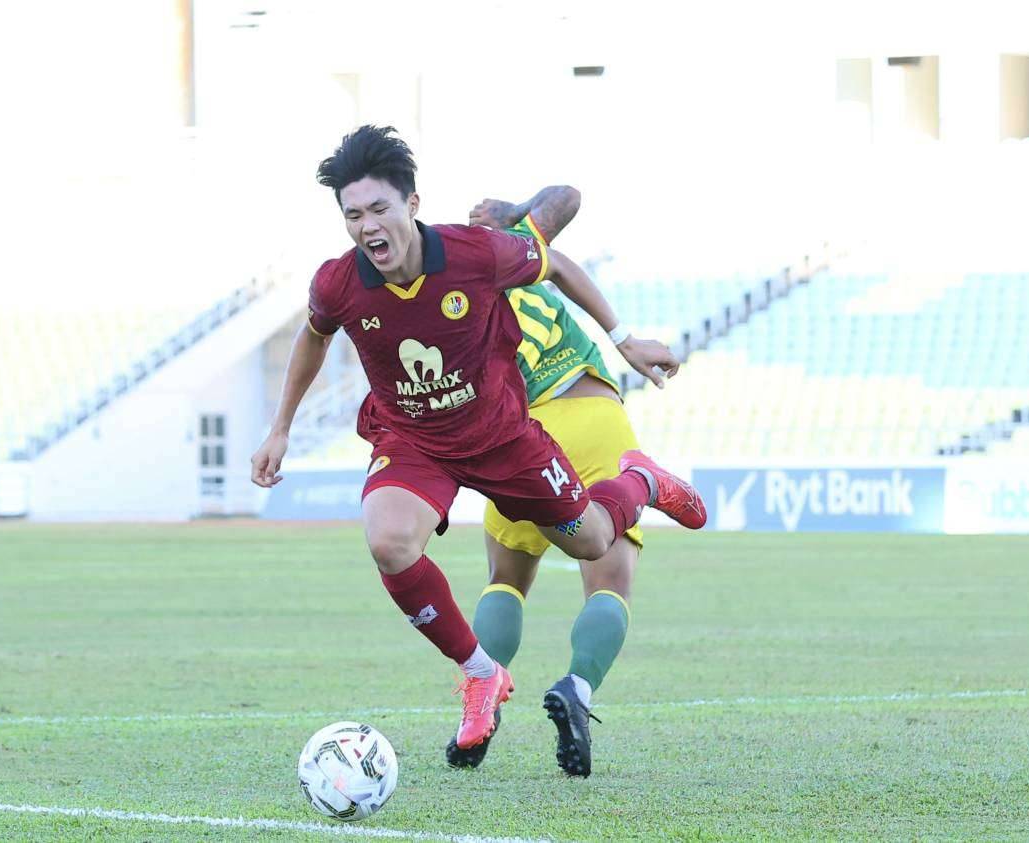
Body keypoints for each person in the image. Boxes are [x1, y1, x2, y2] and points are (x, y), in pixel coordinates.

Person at [250, 126, 705, 756]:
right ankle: (480, 672)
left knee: (593, 541)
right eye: (353, 215)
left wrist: (626, 341)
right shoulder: (337, 283)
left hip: (502, 438)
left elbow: (556, 261)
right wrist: (280, 429)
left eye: (379, 208)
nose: (367, 226)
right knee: (388, 541)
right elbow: (315, 334)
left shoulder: (477, 253)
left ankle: (642, 481)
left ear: (412, 204)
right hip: (413, 438)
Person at [444, 186, 668, 776]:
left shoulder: (447, 302)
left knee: (506, 580)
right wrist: (514, 215)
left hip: (521, 438)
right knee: (609, 583)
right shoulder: (513, 247)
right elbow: (566, 196)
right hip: (592, 416)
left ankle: (481, 703)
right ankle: (578, 687)